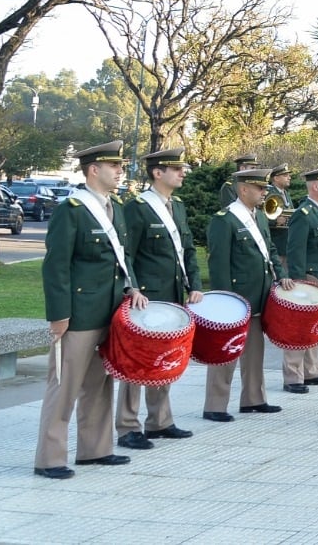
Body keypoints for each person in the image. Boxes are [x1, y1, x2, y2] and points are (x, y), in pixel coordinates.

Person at [35, 140, 146, 480]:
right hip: (79, 312)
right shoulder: (72, 209)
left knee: (100, 383)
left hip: (110, 309)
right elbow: (56, 267)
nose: (119, 172)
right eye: (114, 167)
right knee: (65, 384)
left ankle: (95, 450)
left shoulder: (117, 208)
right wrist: (59, 314)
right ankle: (49, 458)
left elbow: (123, 257)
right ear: (93, 169)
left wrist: (133, 286)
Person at [116, 147, 202, 451]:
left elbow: (187, 249)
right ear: (157, 173)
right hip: (146, 299)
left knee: (165, 358)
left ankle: (160, 420)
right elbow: (126, 253)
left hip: (172, 294)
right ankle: (128, 426)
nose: (182, 173)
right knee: (137, 361)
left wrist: (195, 284)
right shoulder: (137, 207)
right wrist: (133, 288)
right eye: (176, 169)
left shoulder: (176, 206)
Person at [206, 168, 294, 421]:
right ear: (243, 189)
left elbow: (270, 249)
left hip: (260, 293)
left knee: (255, 351)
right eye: (260, 188)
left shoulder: (259, 216)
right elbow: (218, 264)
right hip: (236, 297)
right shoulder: (225, 219)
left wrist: (281, 273)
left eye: (265, 188)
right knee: (226, 351)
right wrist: (224, 299)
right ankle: (215, 405)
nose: (264, 193)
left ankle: (253, 399)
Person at [282, 167, 318, 395]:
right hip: (309, 278)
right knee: (299, 329)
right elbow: (295, 251)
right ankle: (293, 376)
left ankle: (312, 371)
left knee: (316, 327)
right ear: (315, 186)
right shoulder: (304, 214)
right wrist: (299, 282)